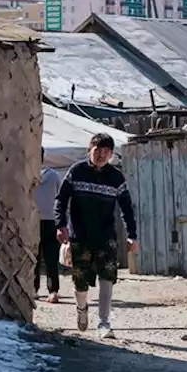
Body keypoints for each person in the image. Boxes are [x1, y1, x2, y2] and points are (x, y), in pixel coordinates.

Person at [54, 133, 138, 339]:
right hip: (79, 236)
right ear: (89, 150)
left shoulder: (116, 177)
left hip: (105, 237)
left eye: (106, 152)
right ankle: (82, 309)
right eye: (97, 151)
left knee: (107, 278)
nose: (101, 155)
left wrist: (132, 235)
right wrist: (60, 225)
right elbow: (61, 200)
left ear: (111, 154)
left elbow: (127, 208)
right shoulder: (76, 171)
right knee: (80, 281)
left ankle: (104, 322)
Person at [35, 150, 62, 303]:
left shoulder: (27, 175)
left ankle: (33, 289)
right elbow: (61, 198)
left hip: (33, 220)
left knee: (34, 256)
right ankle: (53, 291)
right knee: (51, 257)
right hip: (51, 219)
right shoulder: (54, 176)